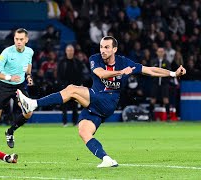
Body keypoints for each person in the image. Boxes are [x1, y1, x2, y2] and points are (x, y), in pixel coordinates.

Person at [16, 36, 186, 168]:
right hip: (95, 100)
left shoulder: (124, 61)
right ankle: (107, 159)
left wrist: (172, 74)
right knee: (83, 132)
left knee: (72, 89)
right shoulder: (95, 58)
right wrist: (121, 72)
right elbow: (101, 74)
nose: (103, 50)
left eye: (106, 47)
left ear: (114, 49)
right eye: (101, 47)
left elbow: (150, 70)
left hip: (109, 101)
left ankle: (33, 104)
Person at [0, 28, 34, 148]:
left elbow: (28, 67)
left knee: (28, 112)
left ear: (26, 40)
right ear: (14, 39)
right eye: (16, 39)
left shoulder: (30, 52)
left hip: (20, 87)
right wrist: (9, 77)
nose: (18, 41)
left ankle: (10, 131)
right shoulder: (6, 52)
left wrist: (28, 76)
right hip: (4, 86)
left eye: (21, 39)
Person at [57, 44, 83, 126]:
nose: (70, 52)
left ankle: (75, 122)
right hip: (64, 87)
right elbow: (58, 74)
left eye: (71, 50)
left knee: (75, 106)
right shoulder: (61, 62)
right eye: (68, 50)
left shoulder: (78, 62)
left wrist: (79, 86)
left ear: (73, 51)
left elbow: (80, 75)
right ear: (66, 51)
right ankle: (65, 122)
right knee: (64, 106)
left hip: (75, 87)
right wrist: (61, 85)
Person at [149, 47, 171, 120]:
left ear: (164, 53)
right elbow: (151, 71)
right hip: (155, 83)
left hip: (164, 84)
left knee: (166, 100)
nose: (161, 53)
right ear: (157, 52)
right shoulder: (153, 61)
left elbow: (168, 73)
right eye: (159, 51)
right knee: (153, 100)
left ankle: (168, 116)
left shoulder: (167, 62)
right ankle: (151, 116)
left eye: (162, 51)